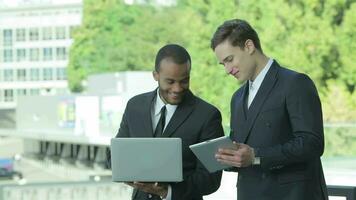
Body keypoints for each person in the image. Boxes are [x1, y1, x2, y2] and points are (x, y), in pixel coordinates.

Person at [211, 19, 328, 200]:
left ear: (249, 46)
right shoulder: (237, 98)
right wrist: (229, 157)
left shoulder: (295, 83)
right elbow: (244, 150)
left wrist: (256, 156)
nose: (227, 70)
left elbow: (311, 143)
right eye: (223, 64)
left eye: (229, 59)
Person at [107, 44, 223, 200]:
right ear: (155, 75)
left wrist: (166, 191)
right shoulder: (135, 106)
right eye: (170, 81)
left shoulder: (208, 115)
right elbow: (115, 156)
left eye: (184, 81)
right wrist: (125, 172)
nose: (177, 88)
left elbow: (211, 179)